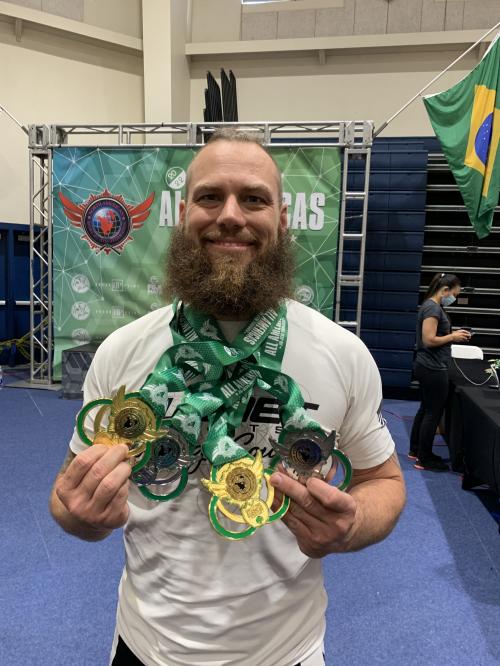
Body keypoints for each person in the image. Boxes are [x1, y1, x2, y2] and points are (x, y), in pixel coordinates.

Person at [50, 129, 406, 666]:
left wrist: (352, 524)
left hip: (286, 653)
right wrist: (79, 514)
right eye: (210, 197)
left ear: (282, 221)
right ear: (183, 216)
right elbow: (67, 496)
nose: (231, 216)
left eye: (254, 199)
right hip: (147, 647)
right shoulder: (123, 352)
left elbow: (384, 482)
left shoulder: (342, 355)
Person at [409, 272, 472, 472]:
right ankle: (424, 458)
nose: (454, 298)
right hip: (433, 367)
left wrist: (451, 334)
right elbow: (429, 340)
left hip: (427, 365)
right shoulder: (433, 308)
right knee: (432, 413)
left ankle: (416, 449)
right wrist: (453, 337)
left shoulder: (431, 306)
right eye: (454, 294)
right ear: (445, 290)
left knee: (426, 409)